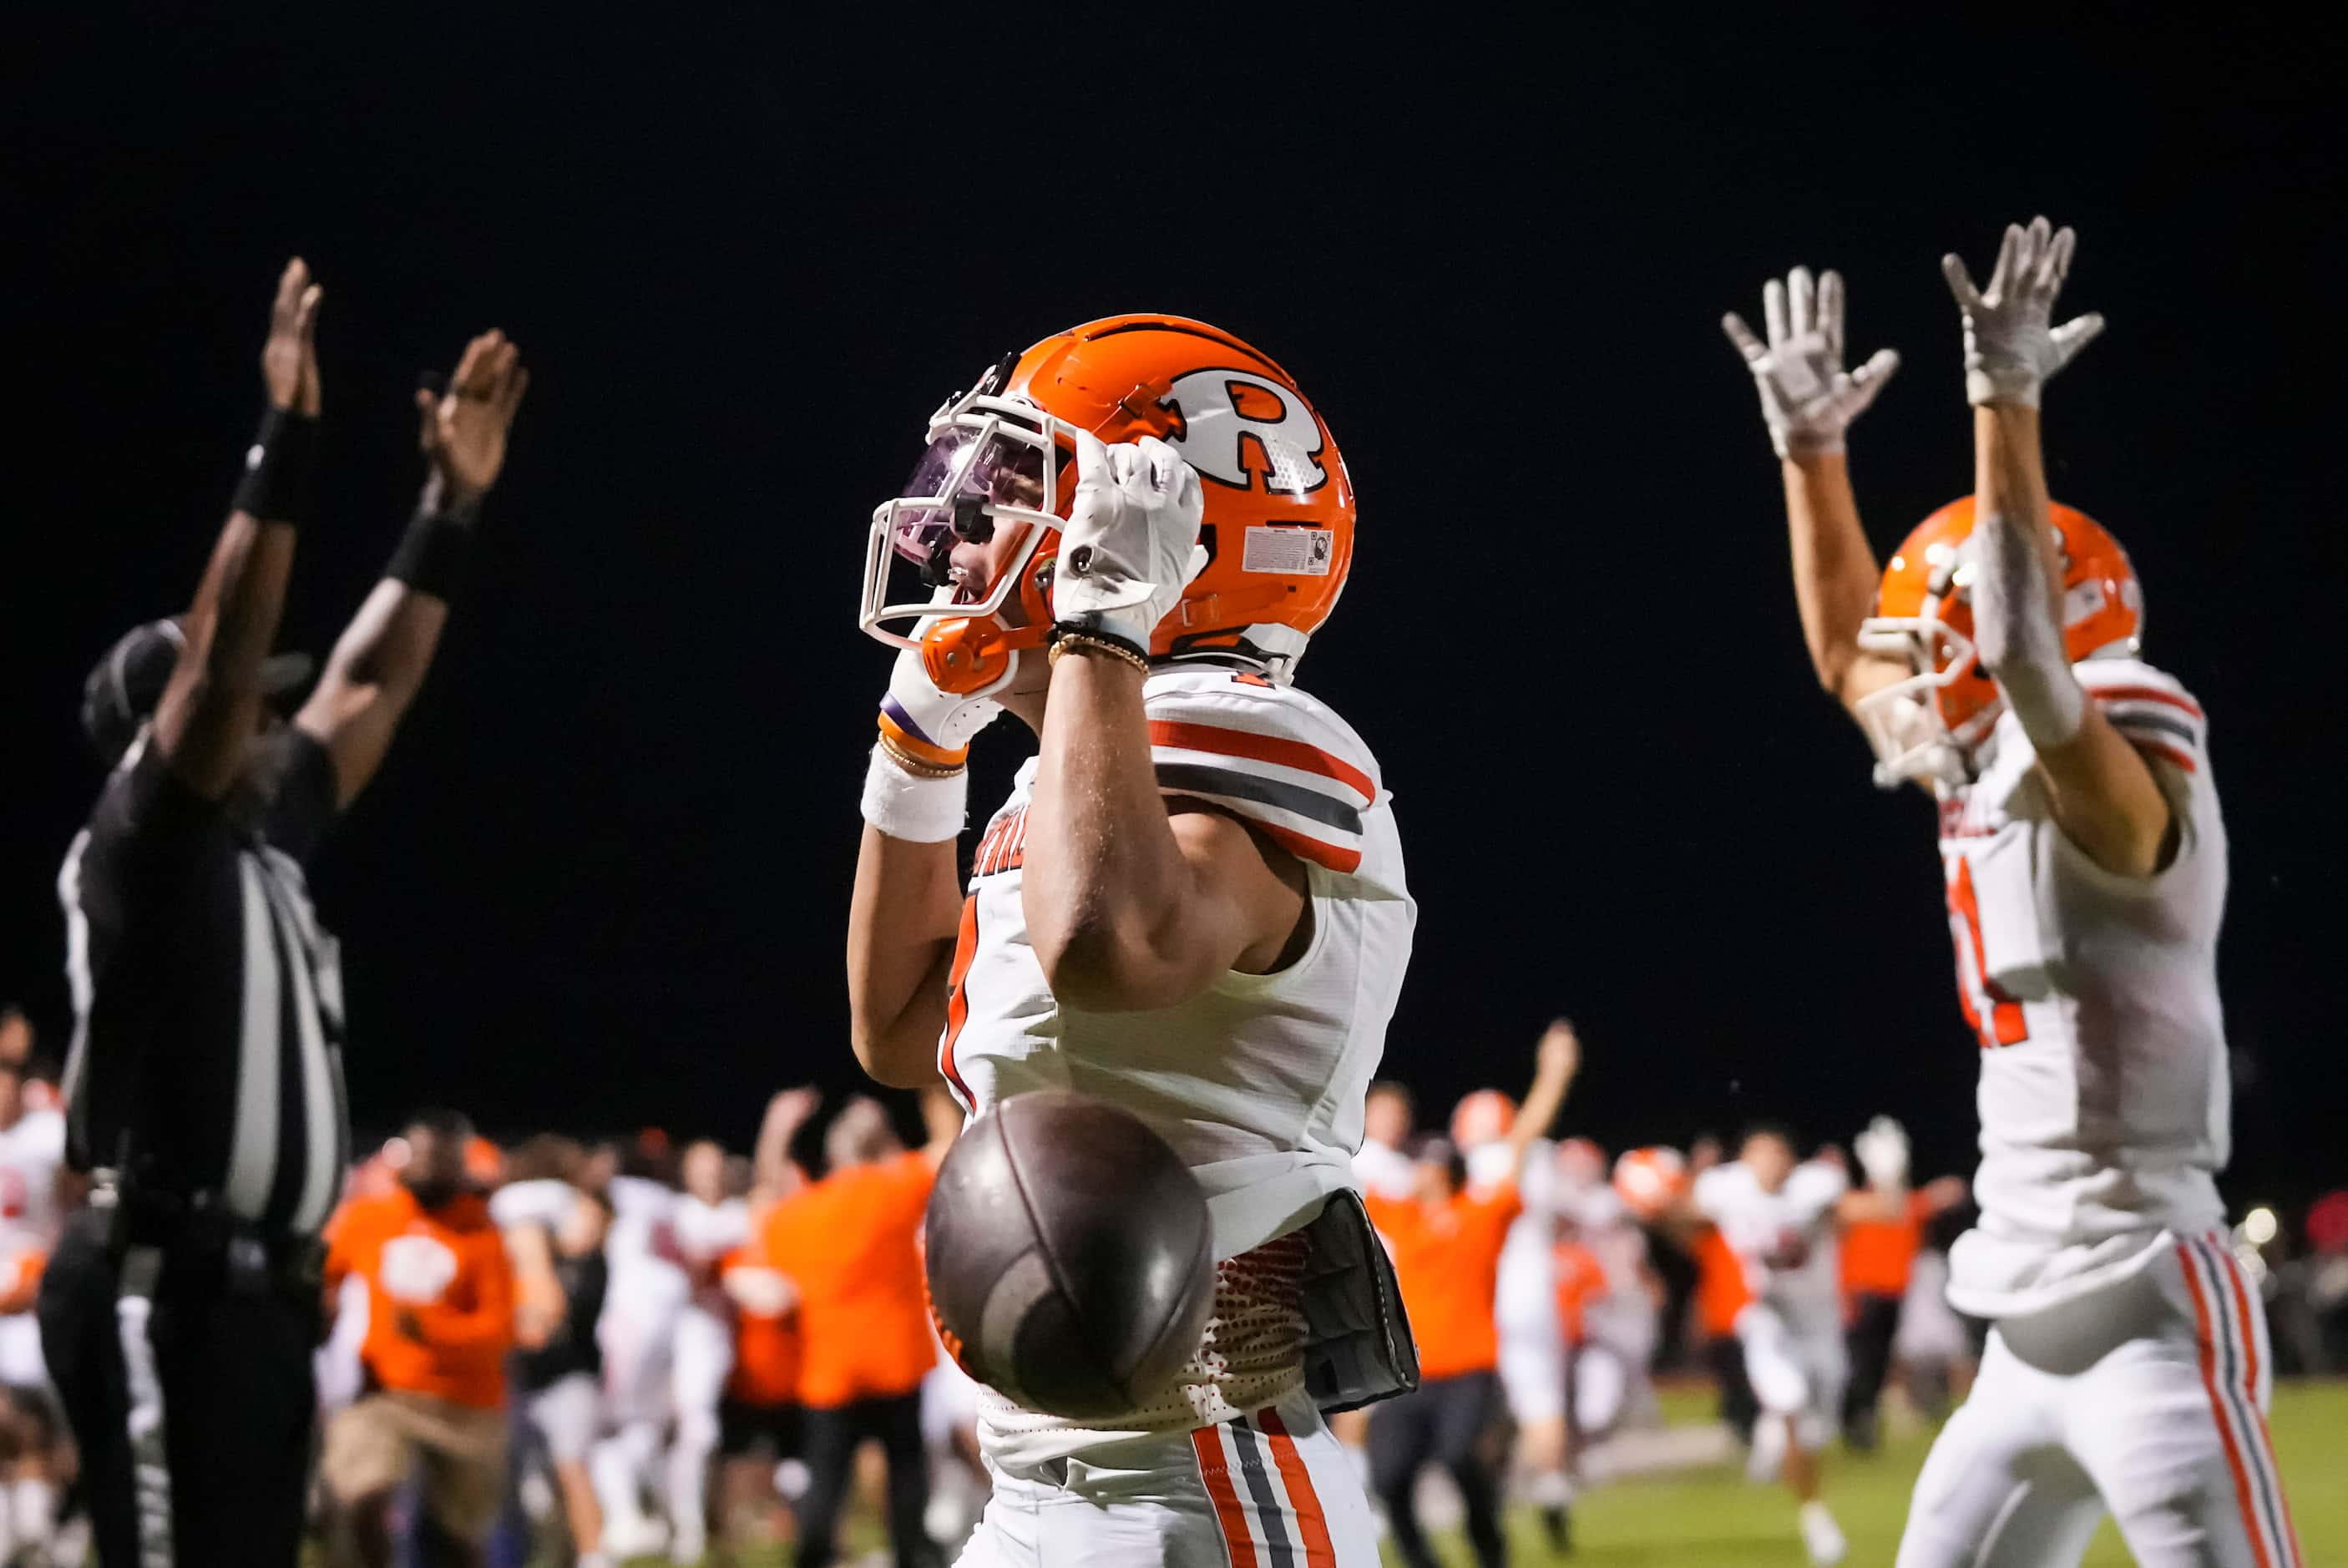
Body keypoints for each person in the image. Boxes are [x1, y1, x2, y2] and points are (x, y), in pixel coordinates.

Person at [1726, 215, 2300, 1566]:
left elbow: (2030, 657)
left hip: (2154, 1297)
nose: (1917, 667)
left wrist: (2003, 401)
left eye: (1940, 635)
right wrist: (1811, 455)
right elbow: (1837, 653)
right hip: (2021, 1314)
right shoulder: (1981, 769)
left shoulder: (2119, 743)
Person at [847, 316, 1419, 1567]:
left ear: (1166, 534)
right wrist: (917, 760)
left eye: (1007, 495)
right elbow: (897, 1032)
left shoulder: (1245, 732)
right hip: (1038, 1476)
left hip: (1203, 1480)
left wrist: (1099, 636)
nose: (954, 533)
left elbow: (1109, 947)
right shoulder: (1070, 779)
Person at [38, 259, 527, 1568]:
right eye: (247, 706)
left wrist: (448, 507)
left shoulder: (261, 840)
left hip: (259, 1298)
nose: (276, 717)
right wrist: (286, 446)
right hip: (163, 1281)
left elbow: (367, 680)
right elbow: (215, 670)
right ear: (175, 728)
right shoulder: (142, 845)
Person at [1362, 1023, 1577, 1568]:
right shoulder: (1404, 1216)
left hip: (1469, 1366)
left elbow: (1522, 1142)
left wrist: (1554, 1075)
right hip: (1411, 1371)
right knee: (1387, 1476)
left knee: (1461, 1460)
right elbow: (1345, 1176)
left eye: (1431, 1167)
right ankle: (1420, 1559)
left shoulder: (1479, 1216)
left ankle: (1490, 1546)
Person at [758, 1092, 959, 1568]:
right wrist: (929, 1086)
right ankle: (912, 1554)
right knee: (907, 1474)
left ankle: (813, 1556)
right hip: (897, 1363)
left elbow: (768, 1199)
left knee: (826, 1479)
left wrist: (776, 1127)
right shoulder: (887, 1191)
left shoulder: (801, 1214)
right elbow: (948, 1147)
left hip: (831, 1372)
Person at [319, 1109, 518, 1567]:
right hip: (383, 1392)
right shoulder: (370, 1217)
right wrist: (322, 1306)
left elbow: (498, 1330)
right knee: (360, 1496)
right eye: (422, 1157)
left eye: (442, 1160)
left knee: (460, 1535)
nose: (429, 1169)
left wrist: (432, 1328)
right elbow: (326, 1272)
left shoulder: (483, 1234)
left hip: (464, 1402)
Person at [1690, 1127, 1850, 1565]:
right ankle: (1816, 1517)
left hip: (1821, 1324)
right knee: (1792, 1407)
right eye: (1756, 1155)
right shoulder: (1727, 1190)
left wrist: (1891, 1183)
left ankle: (1774, 1436)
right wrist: (1653, 1198)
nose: (1767, 1164)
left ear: (1791, 1160)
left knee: (1820, 1428)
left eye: (1775, 1153)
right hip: (1768, 1321)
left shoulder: (1815, 1187)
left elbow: (1868, 1212)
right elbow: (1685, 1217)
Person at [1834, 1117, 1964, 1449]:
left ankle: (1865, 1421)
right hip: (1862, 1294)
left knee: (1878, 1364)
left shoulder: (1907, 1205)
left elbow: (1945, 1193)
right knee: (1859, 1363)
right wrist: (1884, 1174)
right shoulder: (1858, 1201)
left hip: (1894, 1294)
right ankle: (1852, 1420)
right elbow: (1872, 1209)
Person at [505, 1176, 614, 1568]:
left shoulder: (592, 1265)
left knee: (572, 1467)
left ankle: (593, 1556)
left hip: (570, 1377)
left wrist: (534, 1259)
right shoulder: (529, 1253)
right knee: (522, 1484)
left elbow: (546, 1321)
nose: (585, 1225)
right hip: (523, 1380)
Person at [0, 1011, 70, 1560]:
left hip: (35, 1310)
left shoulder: (50, 1135)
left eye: (11, 1067)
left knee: (31, 1419)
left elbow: (88, 1223)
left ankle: (43, 1527)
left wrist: (46, 1275)